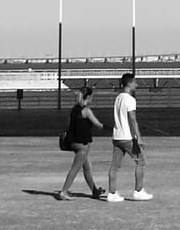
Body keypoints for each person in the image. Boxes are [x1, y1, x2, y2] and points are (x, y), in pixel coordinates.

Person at [107, 72, 152, 202]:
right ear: (129, 84)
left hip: (117, 137)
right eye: (135, 82)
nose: (136, 85)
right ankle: (138, 190)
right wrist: (139, 137)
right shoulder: (130, 99)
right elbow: (132, 119)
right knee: (141, 161)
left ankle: (112, 193)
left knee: (115, 166)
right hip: (127, 137)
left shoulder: (118, 98)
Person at [56, 87, 105, 200]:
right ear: (88, 97)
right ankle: (63, 192)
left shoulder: (74, 110)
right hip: (82, 145)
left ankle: (94, 191)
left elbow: (69, 124)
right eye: (92, 96)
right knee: (75, 168)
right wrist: (113, 128)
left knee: (87, 167)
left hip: (73, 142)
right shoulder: (86, 111)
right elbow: (98, 124)